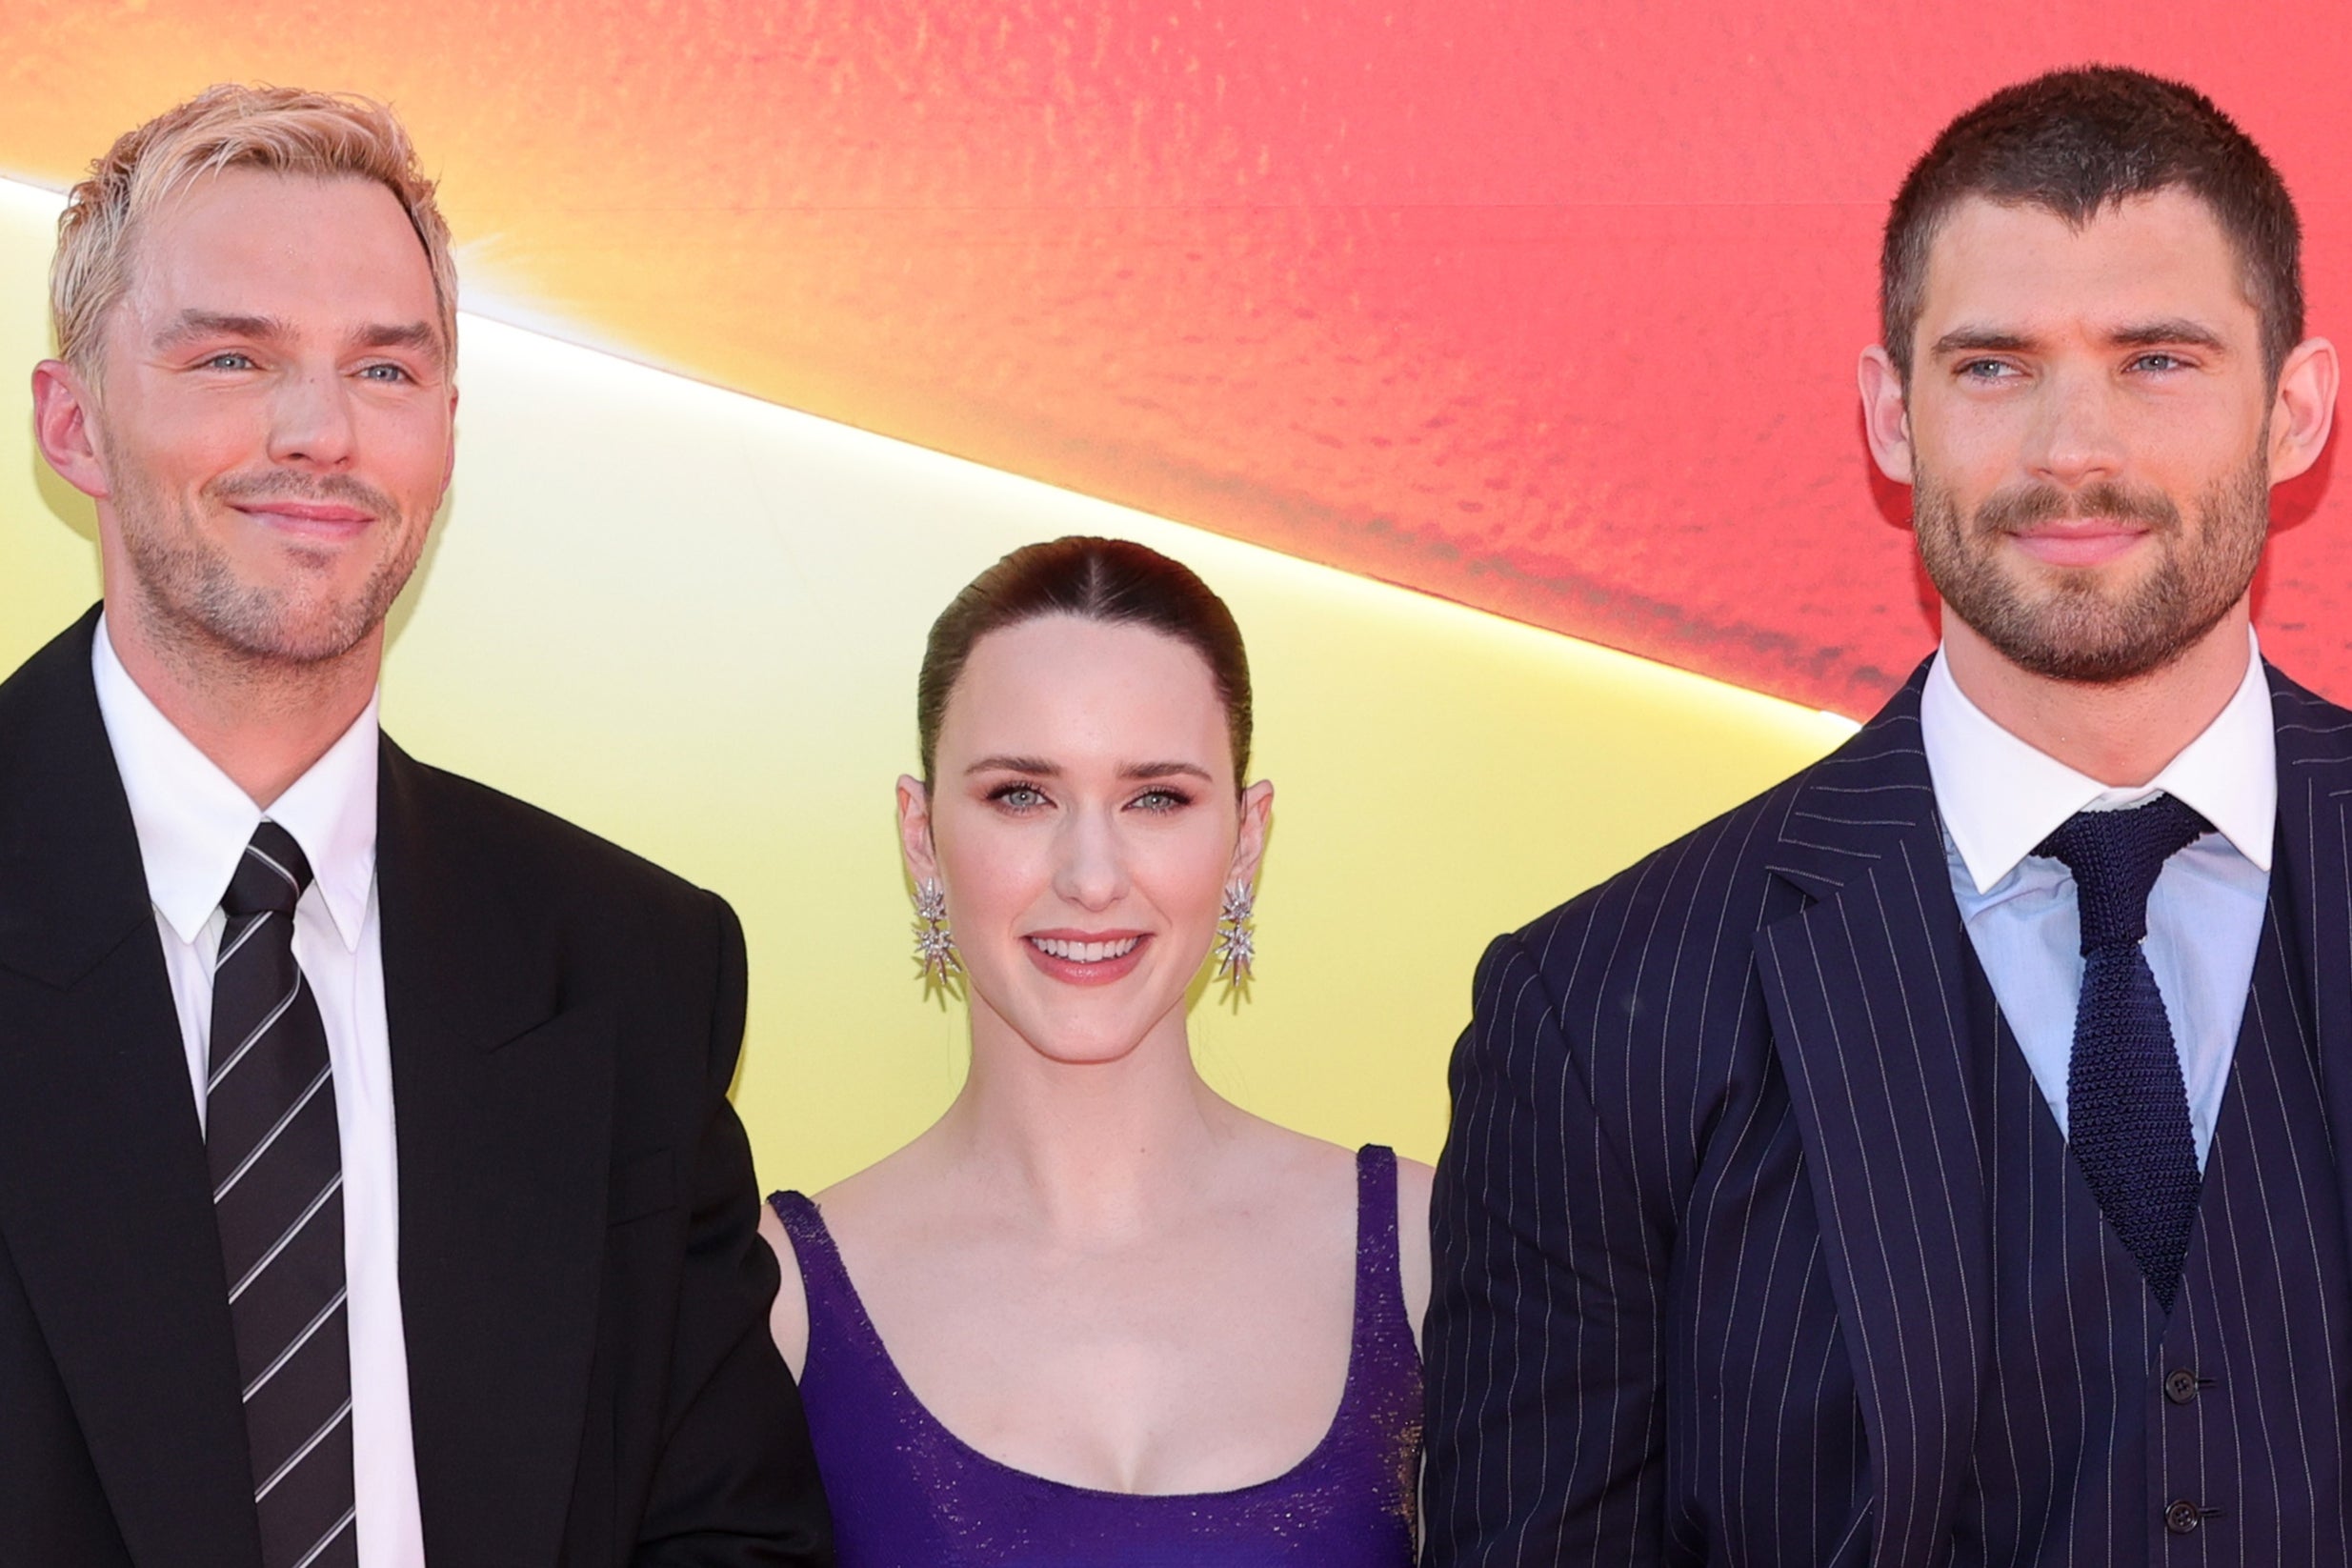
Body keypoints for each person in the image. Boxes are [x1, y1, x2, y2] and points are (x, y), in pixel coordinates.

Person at [1425, 66, 2351, 1565]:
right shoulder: (1601, 1011)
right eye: (1993, 365)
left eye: (2157, 359)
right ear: (1890, 415)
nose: (2072, 449)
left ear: (2295, 409)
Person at [0, 86, 832, 1566]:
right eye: (231, 355)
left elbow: (729, 1532)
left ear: (446, 432)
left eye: (385, 368)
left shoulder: (631, 966)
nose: (318, 434)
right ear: (75, 425)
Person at [757, 535, 1428, 1563]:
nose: (1092, 874)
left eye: (1156, 796)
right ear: (920, 833)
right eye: (1021, 793)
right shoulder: (772, 1299)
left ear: (1245, 839)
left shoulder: (1438, 1252)